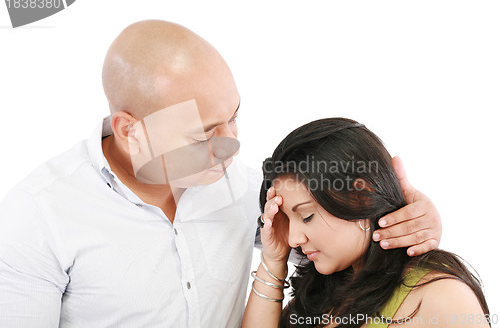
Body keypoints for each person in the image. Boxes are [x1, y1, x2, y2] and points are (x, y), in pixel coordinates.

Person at [0, 21, 441, 327]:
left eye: (233, 117)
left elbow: (332, 246)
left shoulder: (244, 189)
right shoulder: (38, 218)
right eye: (203, 134)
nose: (231, 145)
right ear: (130, 130)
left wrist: (406, 215)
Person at [242, 118, 490, 328]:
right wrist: (273, 262)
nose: (294, 238)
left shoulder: (442, 298)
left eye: (306, 216)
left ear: (359, 195)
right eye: (288, 218)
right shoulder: (322, 292)